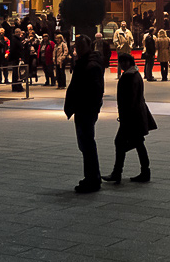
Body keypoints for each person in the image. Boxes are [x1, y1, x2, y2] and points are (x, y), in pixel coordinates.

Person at [102, 53, 156, 185]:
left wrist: (124, 116)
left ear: (127, 63)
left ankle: (117, 173)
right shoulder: (136, 74)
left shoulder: (128, 76)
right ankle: (144, 171)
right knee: (137, 143)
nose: (121, 64)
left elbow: (127, 99)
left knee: (121, 142)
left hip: (131, 116)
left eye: (122, 62)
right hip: (137, 114)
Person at [64, 36, 105, 193]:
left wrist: (88, 106)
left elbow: (95, 90)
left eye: (81, 46)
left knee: (87, 144)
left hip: (85, 108)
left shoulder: (90, 64)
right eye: (77, 46)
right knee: (86, 144)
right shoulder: (85, 62)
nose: (78, 49)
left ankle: (92, 179)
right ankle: (92, 177)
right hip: (84, 107)